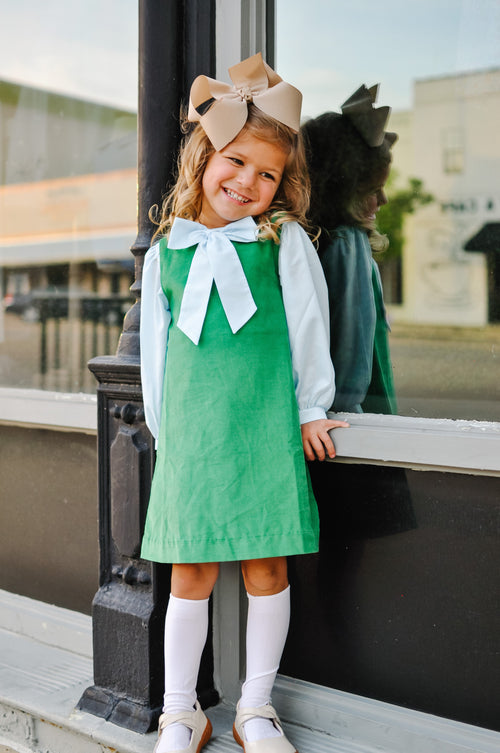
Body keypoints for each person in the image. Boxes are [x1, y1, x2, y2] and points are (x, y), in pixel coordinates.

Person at [140, 52, 348, 753]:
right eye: (237, 161)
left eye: (268, 174)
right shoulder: (166, 250)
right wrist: (168, 440)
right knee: (188, 574)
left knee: (268, 569)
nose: (250, 182)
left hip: (264, 434)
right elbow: (156, 356)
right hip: (193, 442)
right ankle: (181, 712)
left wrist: (313, 407)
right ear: (204, 154)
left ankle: (255, 708)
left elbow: (310, 327)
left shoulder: (281, 240)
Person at [301, 84, 398, 415]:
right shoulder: (347, 244)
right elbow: (351, 371)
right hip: (350, 420)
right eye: (374, 189)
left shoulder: (320, 241)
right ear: (341, 189)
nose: (383, 200)